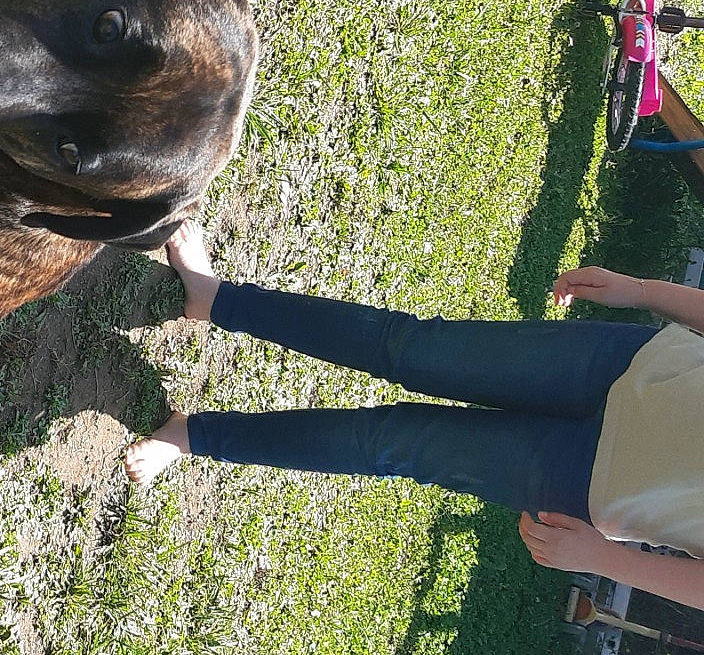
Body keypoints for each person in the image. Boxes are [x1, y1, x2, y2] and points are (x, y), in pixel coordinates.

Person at [124, 223, 704, 608]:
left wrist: (605, 559)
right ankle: (215, 298)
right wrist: (642, 291)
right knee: (409, 347)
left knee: (388, 443)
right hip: (639, 366)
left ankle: (192, 436)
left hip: (595, 483)